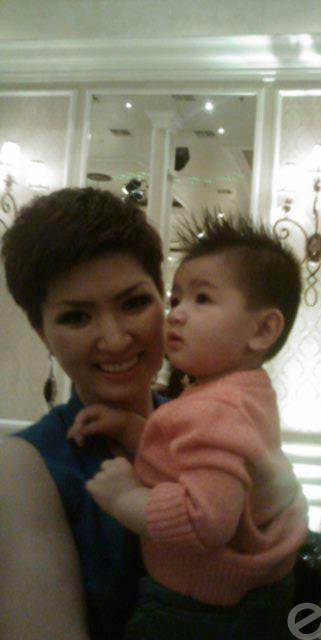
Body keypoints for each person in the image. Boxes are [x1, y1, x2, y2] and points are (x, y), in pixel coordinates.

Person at [72, 214, 309, 639]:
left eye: (202, 299)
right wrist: (130, 428)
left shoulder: (214, 408)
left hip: (202, 612)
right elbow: (191, 458)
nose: (176, 315)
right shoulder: (244, 392)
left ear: (262, 329)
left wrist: (126, 497)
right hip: (260, 595)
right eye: (176, 299)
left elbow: (205, 521)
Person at [0, 187, 167, 640]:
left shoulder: (206, 422)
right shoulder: (23, 466)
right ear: (42, 331)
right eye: (76, 317)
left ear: (163, 297)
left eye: (134, 303)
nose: (114, 339)